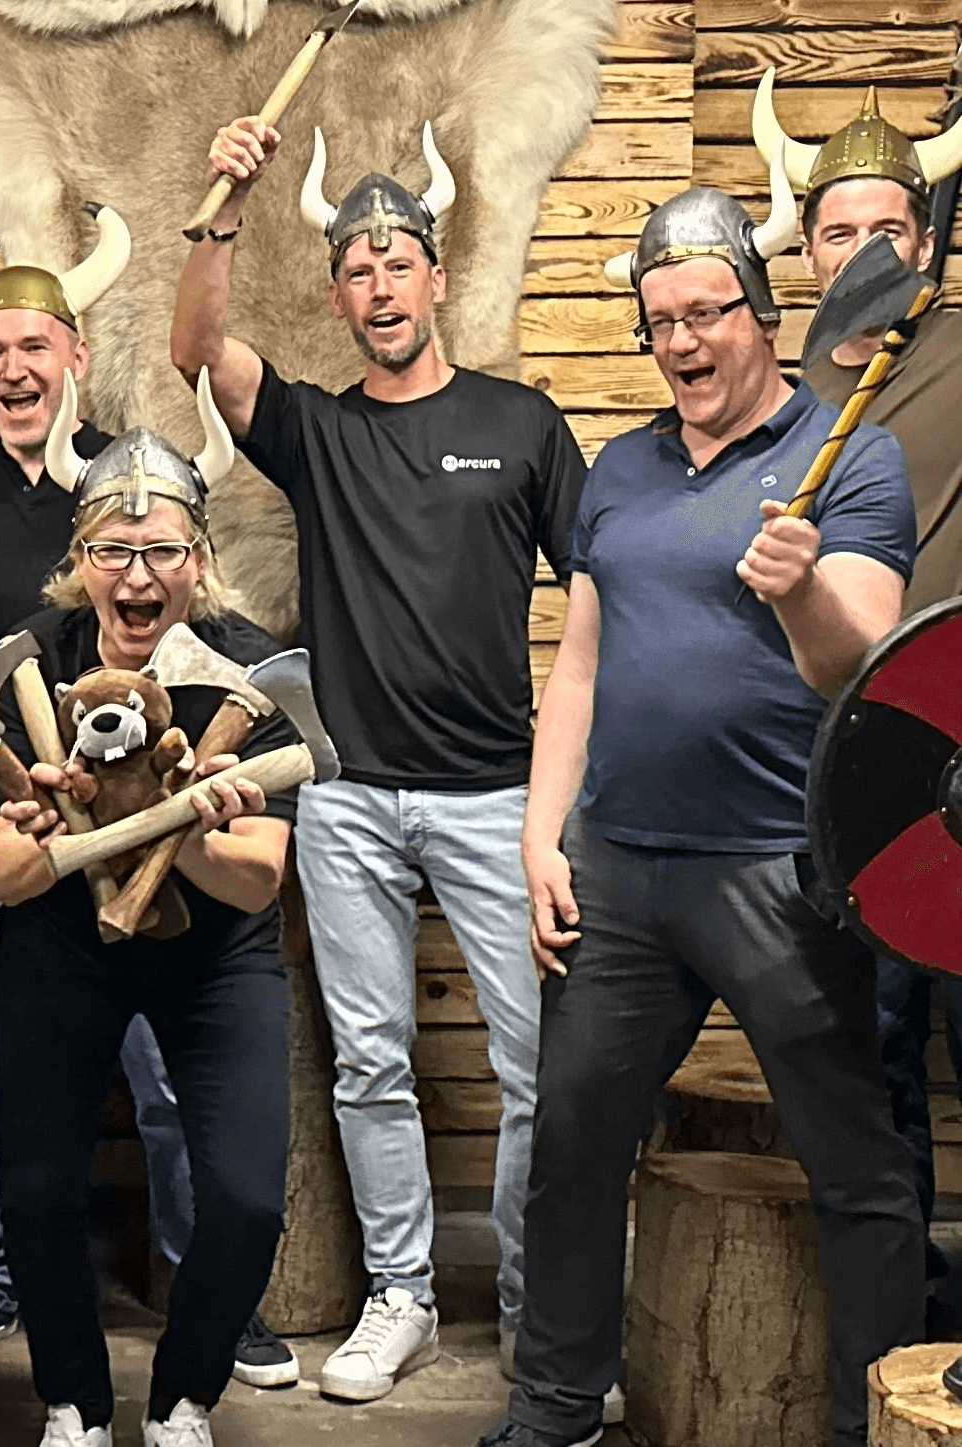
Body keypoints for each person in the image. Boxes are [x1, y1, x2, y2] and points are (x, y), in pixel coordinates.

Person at [478, 158, 925, 1447]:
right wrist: (537, 831)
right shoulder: (616, 469)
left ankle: (867, 1421)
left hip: (779, 870)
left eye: (705, 313)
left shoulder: (850, 452)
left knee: (853, 1163)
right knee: (570, 1144)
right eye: (659, 320)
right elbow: (576, 666)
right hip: (615, 871)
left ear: (759, 315)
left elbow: (861, 658)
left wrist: (796, 585)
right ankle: (555, 1405)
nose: (681, 341)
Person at [0, 212, 293, 1383]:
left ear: (74, 355)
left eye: (36, 346)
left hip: (155, 812)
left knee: (169, 1082)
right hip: (12, 811)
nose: (15, 369)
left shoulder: (136, 483)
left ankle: (206, 1280)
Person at [170, 115, 588, 1401]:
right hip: (345, 796)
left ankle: (535, 1310)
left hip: (498, 800)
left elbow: (598, 599)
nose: (378, 285)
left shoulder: (521, 425)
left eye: (397, 261)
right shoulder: (316, 431)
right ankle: (399, 1296)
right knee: (368, 1061)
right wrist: (224, 205)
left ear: (436, 276)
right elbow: (196, 352)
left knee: (536, 1070)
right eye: (355, 270)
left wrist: (566, 795)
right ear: (340, 294)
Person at [0, 370, 295, 1447]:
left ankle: (180, 1402)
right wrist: (46, 830)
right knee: (31, 1186)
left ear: (198, 562)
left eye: (163, 550)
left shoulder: (251, 675)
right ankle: (72, 1400)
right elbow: (7, 878)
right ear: (80, 563)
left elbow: (254, 877)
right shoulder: (32, 666)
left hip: (214, 955)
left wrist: (183, 816)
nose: (138, 573)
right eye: (113, 552)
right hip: (61, 945)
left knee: (250, 1198)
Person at [755, 72, 962, 1300]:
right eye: (835, 230)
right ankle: (908, 1307)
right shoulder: (784, 390)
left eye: (882, 228)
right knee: (874, 1046)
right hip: (845, 765)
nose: (857, 251)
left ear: (924, 236)